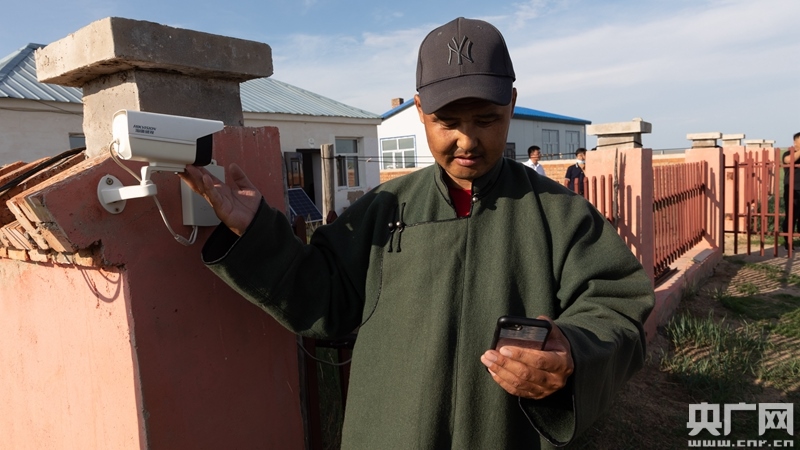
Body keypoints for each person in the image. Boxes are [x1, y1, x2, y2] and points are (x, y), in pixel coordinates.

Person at [182, 17, 654, 449]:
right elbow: (321, 297)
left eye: (486, 120)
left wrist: (571, 352)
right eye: (447, 122)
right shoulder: (383, 209)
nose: (467, 140)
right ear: (422, 110)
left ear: (511, 104)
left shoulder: (561, 216)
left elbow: (617, 306)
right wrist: (255, 231)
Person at [782, 132, 800, 249]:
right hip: (792, 190)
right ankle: (788, 242)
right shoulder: (788, 153)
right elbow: (789, 160)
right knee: (791, 217)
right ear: (795, 141)